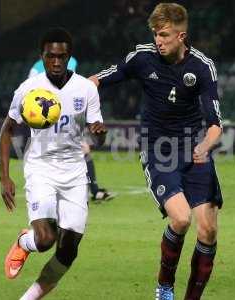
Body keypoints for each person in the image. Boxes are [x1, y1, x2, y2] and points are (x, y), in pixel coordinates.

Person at [89, 3, 223, 300]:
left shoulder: (201, 67)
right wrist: (76, 94)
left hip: (194, 150)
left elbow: (215, 125)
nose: (158, 41)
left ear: (181, 35)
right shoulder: (143, 57)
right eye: (155, 34)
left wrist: (204, 145)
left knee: (208, 231)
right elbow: (100, 79)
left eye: (164, 35)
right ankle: (164, 286)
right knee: (181, 219)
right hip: (158, 150)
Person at [0, 27, 107, 300]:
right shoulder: (29, 89)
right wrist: (4, 177)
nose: (56, 62)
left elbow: (99, 137)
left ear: (69, 56)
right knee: (45, 239)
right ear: (42, 56)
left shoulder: (85, 89)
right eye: (50, 56)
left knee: (69, 249)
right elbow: (7, 129)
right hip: (41, 168)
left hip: (74, 172)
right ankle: (26, 241)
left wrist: (98, 132)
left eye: (61, 56)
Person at [0, 56, 114, 202]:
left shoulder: (71, 63)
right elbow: (31, 95)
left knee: (38, 149)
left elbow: (68, 90)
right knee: (40, 149)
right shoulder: (37, 68)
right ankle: (92, 191)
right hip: (41, 115)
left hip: (57, 112)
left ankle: (92, 191)